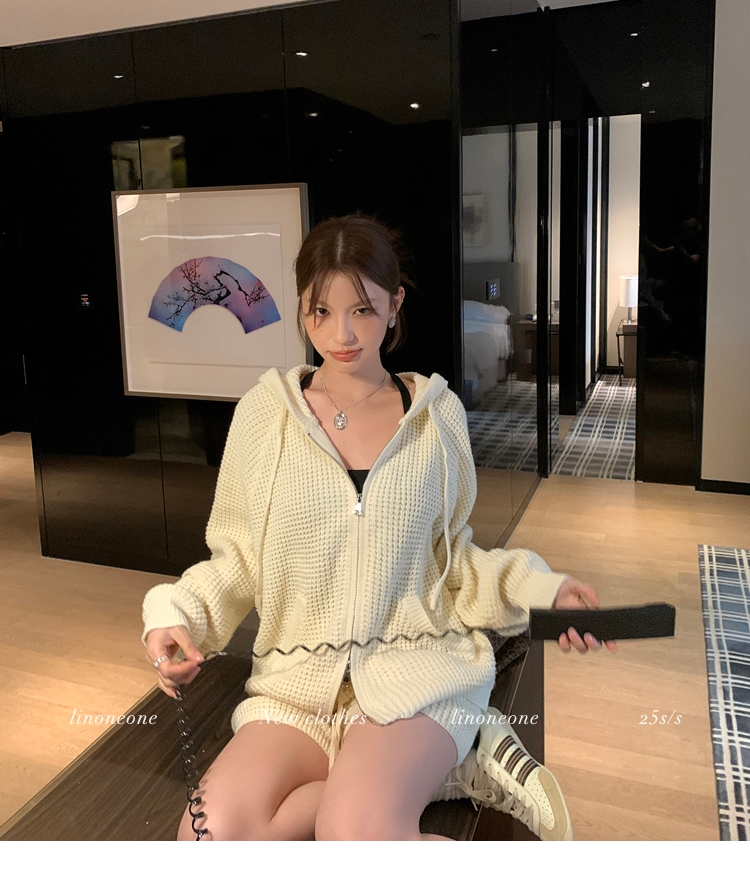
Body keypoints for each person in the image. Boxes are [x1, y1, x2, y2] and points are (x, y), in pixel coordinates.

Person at [141, 213, 616, 842]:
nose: (341, 334)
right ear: (301, 309)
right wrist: (174, 617)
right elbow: (237, 561)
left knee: (355, 834)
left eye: (362, 310)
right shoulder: (264, 416)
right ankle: (446, 769)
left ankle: (422, 764)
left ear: (394, 305)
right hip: (296, 687)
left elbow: (455, 561)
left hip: (413, 674)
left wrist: (544, 589)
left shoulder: (436, 418)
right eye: (321, 312)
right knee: (207, 838)